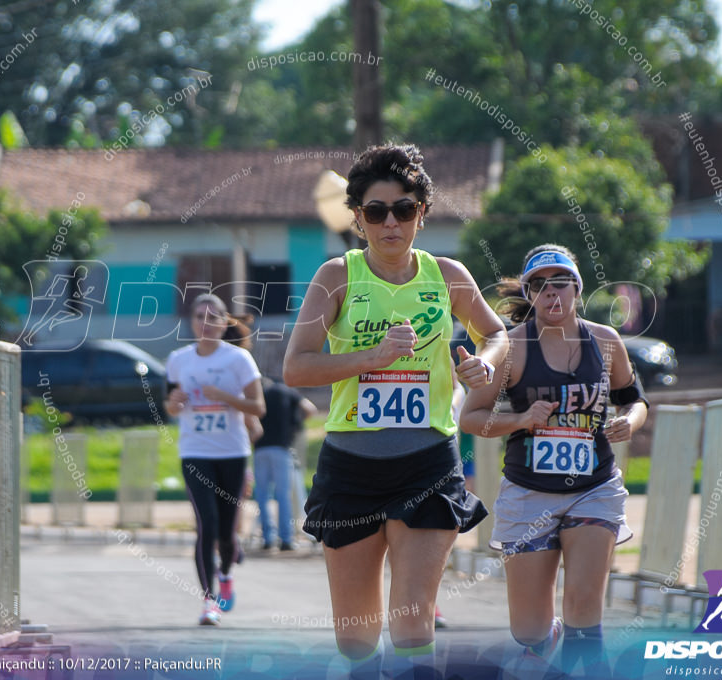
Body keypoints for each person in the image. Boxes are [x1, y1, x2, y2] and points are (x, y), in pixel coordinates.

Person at [283, 143, 508, 680]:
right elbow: (296, 369)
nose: (391, 222)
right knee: (358, 639)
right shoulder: (336, 277)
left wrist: (483, 362)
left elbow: (496, 332)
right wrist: (373, 357)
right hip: (352, 467)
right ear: (357, 218)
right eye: (377, 211)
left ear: (422, 215)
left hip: (427, 462)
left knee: (412, 627)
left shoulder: (448, 274)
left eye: (404, 209)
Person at [460, 244, 649, 677]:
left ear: (576, 289)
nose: (552, 294)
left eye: (560, 284)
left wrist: (629, 423)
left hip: (594, 488)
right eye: (540, 286)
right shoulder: (511, 347)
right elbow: (471, 419)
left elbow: (635, 401)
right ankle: (547, 641)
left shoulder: (605, 341)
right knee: (529, 632)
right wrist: (523, 418)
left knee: (585, 607)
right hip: (528, 493)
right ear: (529, 294)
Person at [164, 293, 266, 626]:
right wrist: (174, 403)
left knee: (226, 531)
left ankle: (225, 575)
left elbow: (258, 408)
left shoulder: (238, 360)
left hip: (232, 452)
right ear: (190, 322)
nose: (205, 324)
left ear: (224, 323)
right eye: (199, 317)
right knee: (205, 523)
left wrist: (223, 396)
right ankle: (209, 601)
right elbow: (170, 406)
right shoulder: (179, 359)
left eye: (213, 317)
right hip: (195, 452)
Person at [254, 376, 317, 551]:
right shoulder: (287, 392)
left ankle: (267, 538)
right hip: (281, 448)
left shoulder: (258, 394)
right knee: (283, 495)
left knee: (262, 495)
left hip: (260, 449)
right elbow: (310, 409)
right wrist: (295, 422)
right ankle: (286, 539)